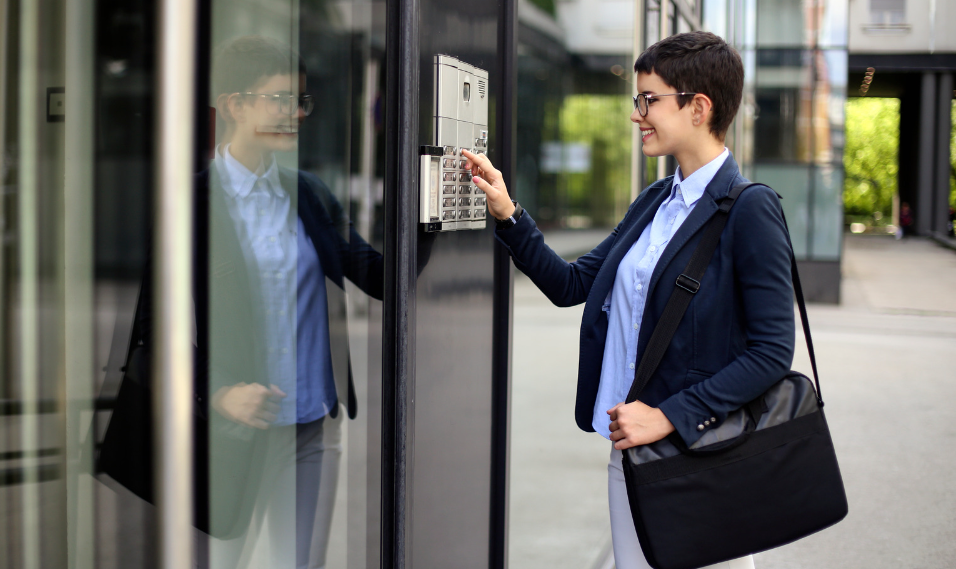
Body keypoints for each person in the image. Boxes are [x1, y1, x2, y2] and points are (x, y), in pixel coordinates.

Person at [463, 31, 794, 569]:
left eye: (649, 100)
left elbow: (772, 352)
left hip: (700, 456)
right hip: (631, 449)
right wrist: (508, 213)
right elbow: (572, 285)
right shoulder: (655, 201)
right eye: (636, 100)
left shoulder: (750, 210)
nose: (637, 114)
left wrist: (668, 416)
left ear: (699, 108)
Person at [100, 35, 385, 569]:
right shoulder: (189, 203)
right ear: (234, 104)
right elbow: (150, 329)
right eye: (279, 99)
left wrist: (436, 203)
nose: (295, 113)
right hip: (228, 436)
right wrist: (219, 392)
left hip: (310, 430)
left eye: (301, 101)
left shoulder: (310, 195)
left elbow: (379, 276)